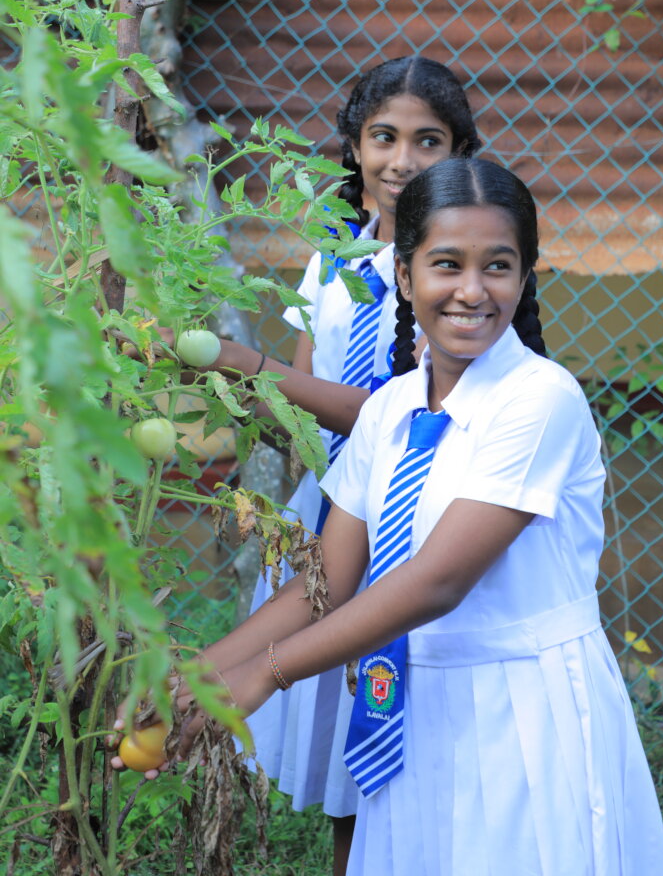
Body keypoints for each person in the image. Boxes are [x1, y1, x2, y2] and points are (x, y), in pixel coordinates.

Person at [151, 156, 663, 875]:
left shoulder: (539, 399)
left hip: (520, 707)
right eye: (445, 264)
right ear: (404, 275)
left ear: (524, 278)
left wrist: (266, 673)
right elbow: (326, 583)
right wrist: (196, 679)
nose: (470, 290)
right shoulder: (392, 410)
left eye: (497, 266)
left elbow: (436, 583)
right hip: (412, 704)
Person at [169, 57, 481, 872]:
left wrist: (248, 366)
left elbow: (387, 416)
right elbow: (309, 411)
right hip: (329, 520)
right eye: (382, 137)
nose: (400, 161)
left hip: (409, 525)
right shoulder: (329, 265)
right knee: (342, 752)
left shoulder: (449, 274)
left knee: (392, 732)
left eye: (426, 141)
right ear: (350, 147)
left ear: (458, 155)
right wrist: (223, 411)